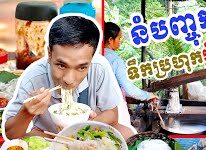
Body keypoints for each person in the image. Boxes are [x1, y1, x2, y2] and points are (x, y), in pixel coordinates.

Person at [3, 15, 134, 140]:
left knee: (127, 133)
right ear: (49, 54)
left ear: (91, 58)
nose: (69, 79)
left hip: (88, 133)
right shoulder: (34, 77)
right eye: (61, 65)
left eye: (82, 67)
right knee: (30, 138)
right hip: (49, 136)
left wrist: (87, 124)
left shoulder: (99, 68)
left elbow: (112, 114)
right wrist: (27, 113)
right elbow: (11, 135)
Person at [104, 22, 158, 104]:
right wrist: (148, 95)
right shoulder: (115, 61)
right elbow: (128, 89)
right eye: (119, 39)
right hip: (110, 105)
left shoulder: (96, 54)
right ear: (110, 40)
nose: (120, 42)